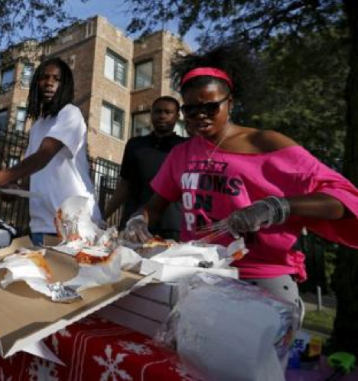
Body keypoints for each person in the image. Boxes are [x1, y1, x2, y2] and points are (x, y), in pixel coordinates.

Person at [124, 44, 358, 312]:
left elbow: (344, 198)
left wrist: (276, 207)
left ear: (230, 103)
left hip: (260, 275)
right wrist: (137, 220)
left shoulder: (265, 143)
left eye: (210, 107)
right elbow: (154, 206)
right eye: (191, 110)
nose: (200, 115)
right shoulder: (181, 154)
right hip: (199, 272)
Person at [0, 58, 102, 245]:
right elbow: (30, 181)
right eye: (44, 77)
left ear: (65, 85)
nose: (49, 82)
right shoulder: (37, 127)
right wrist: (11, 190)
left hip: (76, 226)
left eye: (56, 79)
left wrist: (3, 176)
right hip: (42, 226)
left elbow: (45, 154)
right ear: (36, 84)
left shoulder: (70, 113)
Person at [105, 96, 187, 239]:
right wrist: (103, 215)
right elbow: (124, 184)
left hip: (172, 226)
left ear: (177, 116)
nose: (162, 116)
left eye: (168, 112)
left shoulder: (185, 147)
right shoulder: (135, 145)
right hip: (133, 223)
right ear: (151, 114)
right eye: (158, 111)